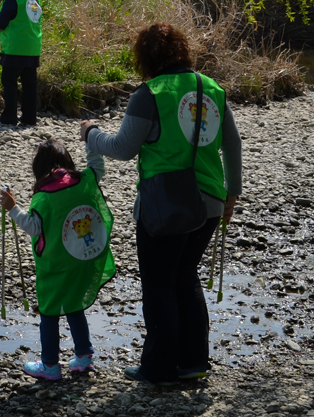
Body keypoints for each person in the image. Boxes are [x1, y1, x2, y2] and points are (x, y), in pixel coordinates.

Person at [80, 23, 242, 385]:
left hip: (165, 206)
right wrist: (233, 194)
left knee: (159, 285)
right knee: (185, 276)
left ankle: (159, 368)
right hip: (211, 202)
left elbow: (122, 148)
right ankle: (193, 361)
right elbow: (233, 145)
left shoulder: (150, 93)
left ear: (146, 58)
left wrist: (90, 134)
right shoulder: (211, 88)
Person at [0, 138, 115, 381]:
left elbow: (33, 227)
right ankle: (84, 357)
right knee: (74, 305)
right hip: (82, 258)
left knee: (49, 312)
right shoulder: (84, 182)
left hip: (56, 265)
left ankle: (50, 365)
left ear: (39, 169)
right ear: (67, 162)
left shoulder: (43, 198)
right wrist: (90, 138)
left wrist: (13, 208)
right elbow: (97, 166)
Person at [0, 0, 43, 126]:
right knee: (29, 85)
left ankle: (9, 117)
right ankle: (29, 118)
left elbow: (2, 22)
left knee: (9, 82)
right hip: (32, 48)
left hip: (15, 48)